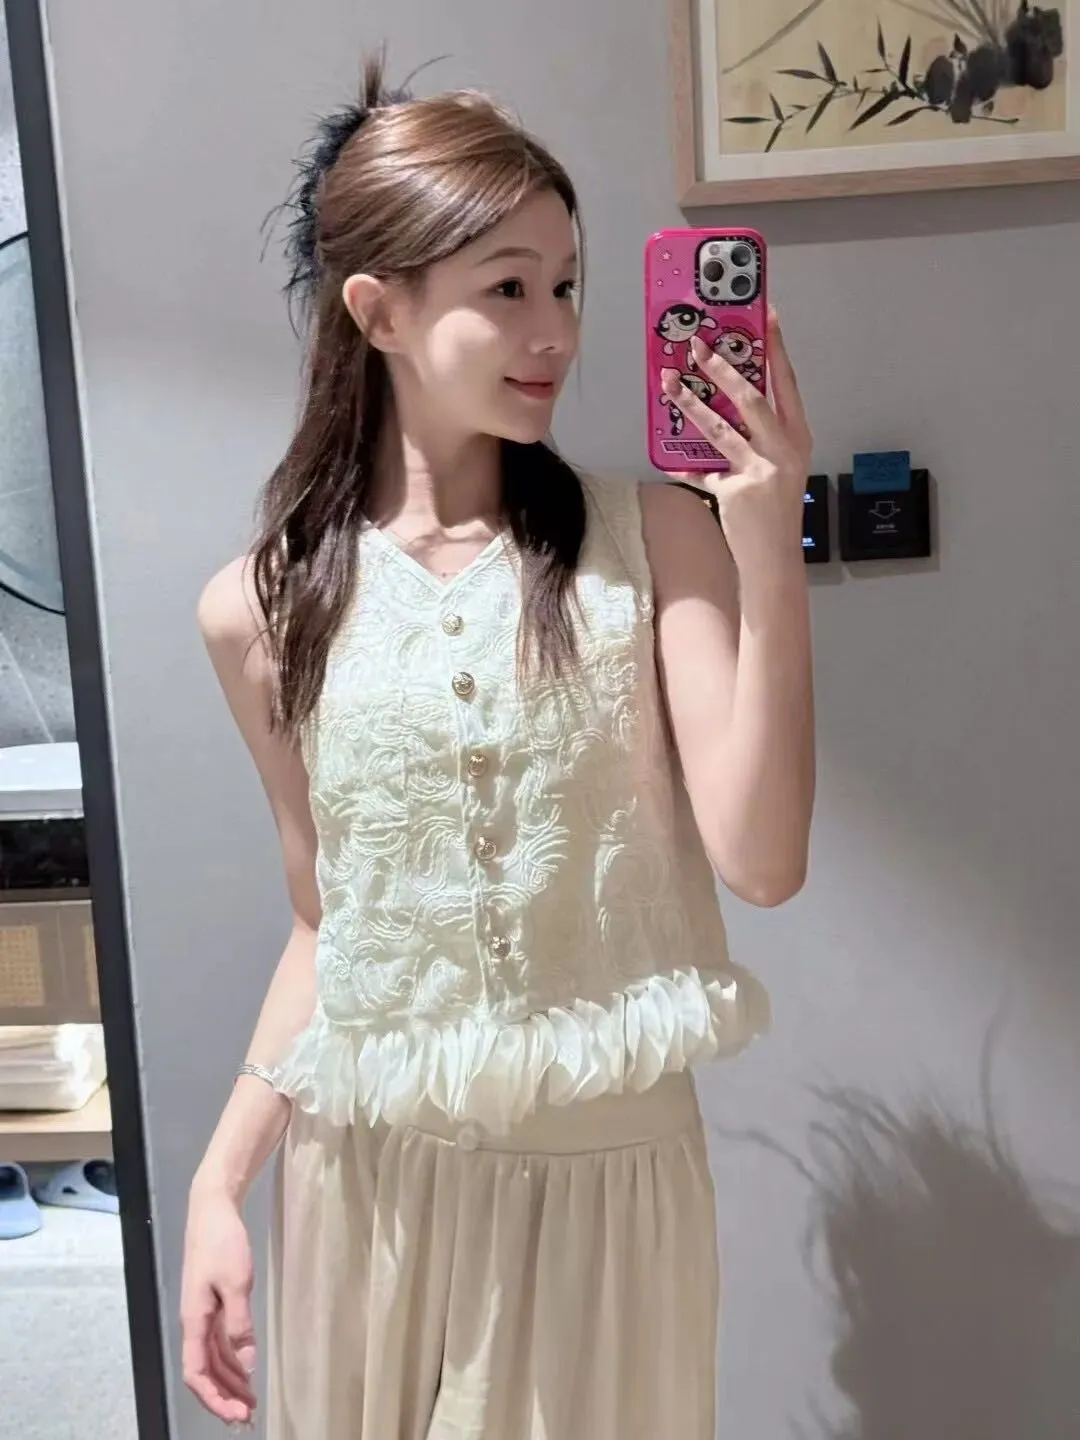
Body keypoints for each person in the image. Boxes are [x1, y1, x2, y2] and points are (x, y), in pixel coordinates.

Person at [180, 52, 815, 1440]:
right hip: (369, 1195)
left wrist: (768, 546)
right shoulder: (261, 609)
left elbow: (764, 863)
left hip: (608, 1199)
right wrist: (220, 1185)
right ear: (381, 311)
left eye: (568, 285)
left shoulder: (655, 538)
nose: (555, 332)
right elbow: (327, 923)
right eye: (508, 289)